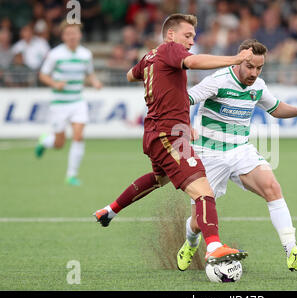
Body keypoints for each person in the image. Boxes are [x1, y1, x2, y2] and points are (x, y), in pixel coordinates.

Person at [93, 13, 254, 265]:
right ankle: (213, 246)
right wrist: (234, 59)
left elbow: (129, 75)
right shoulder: (170, 49)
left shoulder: (149, 57)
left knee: (159, 178)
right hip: (169, 135)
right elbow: (195, 61)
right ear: (170, 34)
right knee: (204, 191)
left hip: (155, 133)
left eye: (193, 37)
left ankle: (110, 210)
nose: (191, 41)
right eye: (187, 35)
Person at [176, 39, 297, 272]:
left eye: (259, 68)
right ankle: (191, 244)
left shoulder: (258, 86)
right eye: (250, 66)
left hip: (241, 150)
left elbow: (275, 108)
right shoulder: (218, 81)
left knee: (272, 187)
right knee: (197, 222)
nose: (254, 72)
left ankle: (292, 251)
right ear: (239, 61)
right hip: (209, 154)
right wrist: (184, 123)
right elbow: (184, 99)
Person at [35, 21, 103, 186]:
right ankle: (45, 141)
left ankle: (71, 175)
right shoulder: (55, 54)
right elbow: (42, 75)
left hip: (77, 101)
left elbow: (89, 73)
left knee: (78, 136)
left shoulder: (85, 54)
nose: (72, 36)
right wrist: (55, 84)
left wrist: (95, 82)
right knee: (59, 144)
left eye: (75, 33)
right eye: (68, 33)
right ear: (63, 36)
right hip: (59, 104)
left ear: (80, 35)